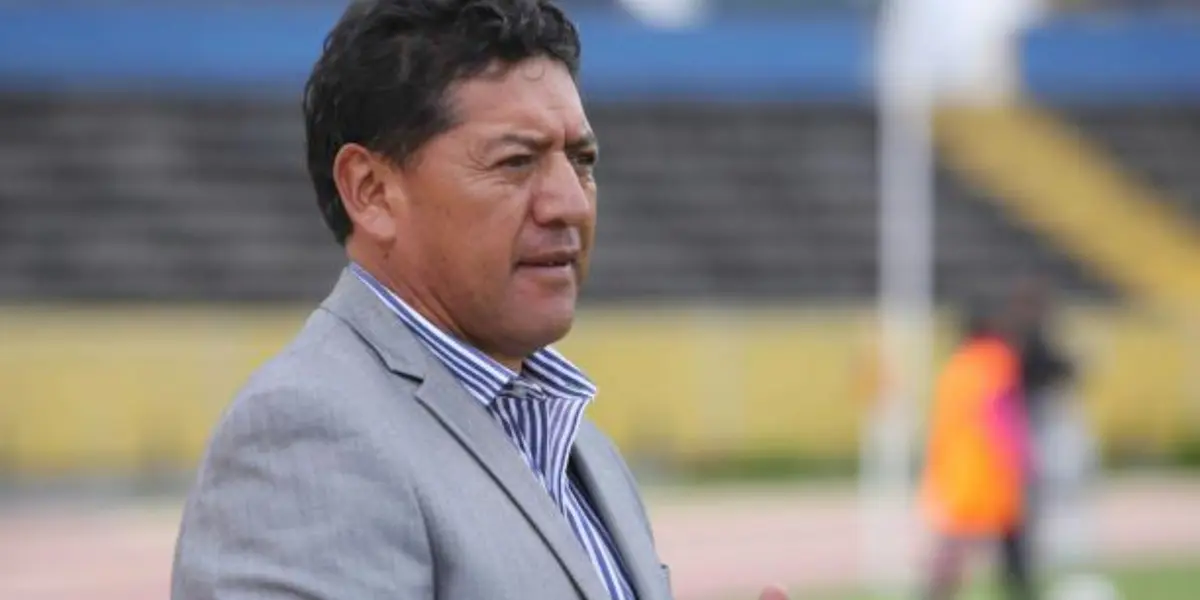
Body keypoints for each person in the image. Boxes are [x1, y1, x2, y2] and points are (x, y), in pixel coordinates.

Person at [170, 2, 789, 599]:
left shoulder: (577, 444)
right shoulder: (307, 434)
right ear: (371, 190)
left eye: (582, 160)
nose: (570, 202)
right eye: (516, 162)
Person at [919, 302, 1035, 600]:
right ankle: (1021, 591)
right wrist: (1021, 456)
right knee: (1011, 538)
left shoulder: (956, 366)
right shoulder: (997, 360)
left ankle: (934, 592)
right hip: (992, 465)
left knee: (956, 540)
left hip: (958, 467)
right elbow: (1001, 412)